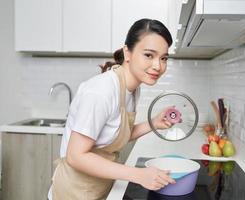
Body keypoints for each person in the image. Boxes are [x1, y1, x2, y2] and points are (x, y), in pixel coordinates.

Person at [48, 18, 176, 200]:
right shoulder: (101, 91)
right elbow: (75, 156)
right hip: (75, 192)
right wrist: (139, 175)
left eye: (163, 58)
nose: (158, 66)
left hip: (100, 187)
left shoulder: (131, 88)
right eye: (149, 55)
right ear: (128, 52)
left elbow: (114, 135)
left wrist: (153, 123)